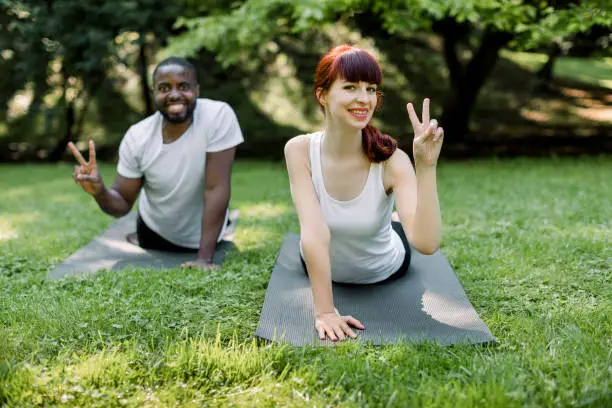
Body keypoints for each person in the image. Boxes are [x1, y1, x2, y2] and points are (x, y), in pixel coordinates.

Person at [284, 45, 444, 342]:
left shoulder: (391, 160)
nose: (364, 99)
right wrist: (325, 311)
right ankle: (389, 214)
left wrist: (426, 166)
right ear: (322, 95)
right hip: (319, 265)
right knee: (327, 229)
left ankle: (392, 218)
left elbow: (427, 243)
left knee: (396, 224)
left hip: (385, 267)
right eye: (350, 87)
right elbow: (314, 232)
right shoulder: (299, 150)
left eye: (371, 89)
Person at [68, 57, 244, 270]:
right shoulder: (138, 136)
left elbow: (216, 188)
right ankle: (135, 237)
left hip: (209, 237)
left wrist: (204, 259)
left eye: (183, 86)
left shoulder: (218, 116)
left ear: (197, 90)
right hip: (154, 233)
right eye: (164, 88)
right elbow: (122, 203)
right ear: (153, 93)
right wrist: (99, 190)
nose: (174, 94)